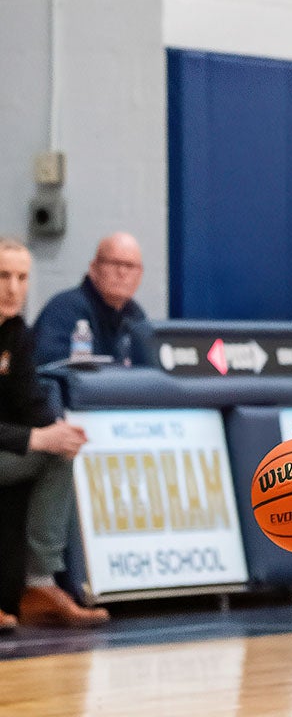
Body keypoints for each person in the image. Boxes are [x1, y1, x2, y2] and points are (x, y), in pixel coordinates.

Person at [0, 237, 110, 629]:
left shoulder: (16, 334)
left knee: (58, 454)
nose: (13, 288)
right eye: (3, 276)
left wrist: (58, 431)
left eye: (22, 278)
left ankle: (39, 584)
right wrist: (34, 439)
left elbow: (30, 399)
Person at [33, 232, 152, 367]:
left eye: (130, 266)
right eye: (114, 263)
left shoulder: (135, 314)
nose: (122, 272)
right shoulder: (64, 309)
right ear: (94, 268)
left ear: (140, 274)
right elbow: (51, 366)